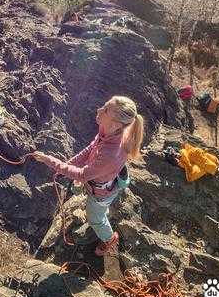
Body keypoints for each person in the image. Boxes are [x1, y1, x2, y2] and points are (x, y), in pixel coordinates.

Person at [32, 96, 144, 256]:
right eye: (104, 106)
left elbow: (82, 175)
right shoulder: (107, 132)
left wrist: (49, 160)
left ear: (115, 124)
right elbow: (89, 150)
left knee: (95, 219)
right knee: (97, 211)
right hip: (100, 183)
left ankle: (109, 238)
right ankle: (101, 215)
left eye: (105, 110)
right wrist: (68, 163)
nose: (99, 110)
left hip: (100, 195)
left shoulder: (110, 153)